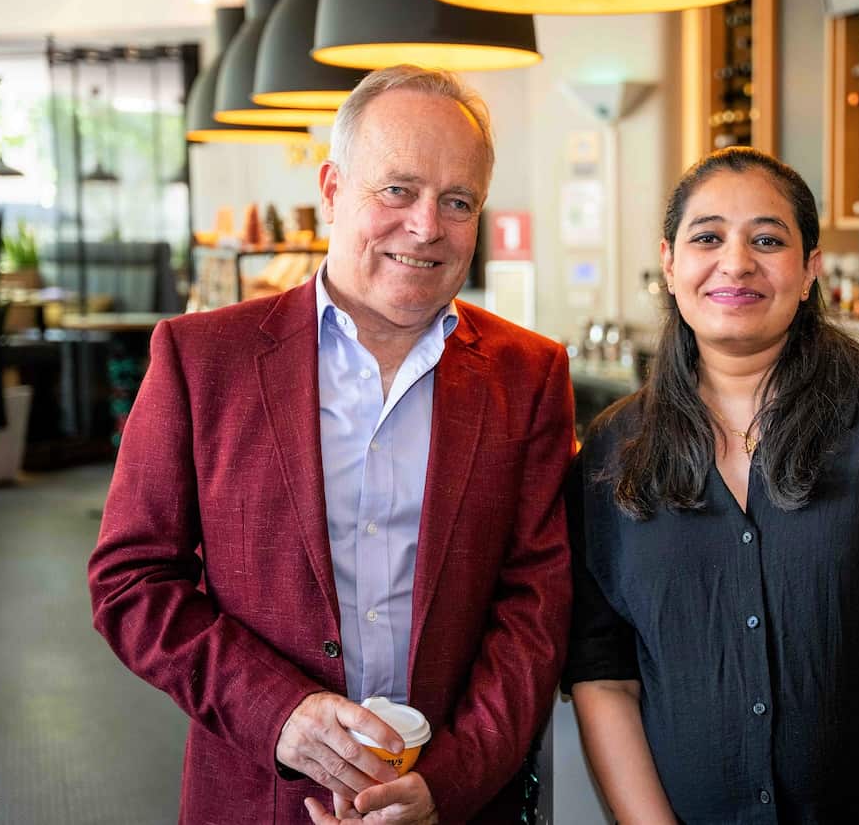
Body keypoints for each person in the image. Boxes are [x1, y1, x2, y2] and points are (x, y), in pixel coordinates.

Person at [89, 66, 575, 825]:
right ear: (332, 188)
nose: (426, 226)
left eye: (458, 202)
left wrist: (448, 779)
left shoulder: (531, 374)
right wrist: (280, 713)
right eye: (397, 190)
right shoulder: (200, 360)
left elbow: (534, 606)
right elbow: (131, 580)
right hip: (259, 796)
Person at [563, 147, 859, 824]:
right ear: (670, 263)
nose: (736, 262)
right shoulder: (612, 450)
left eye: (768, 239)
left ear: (810, 267)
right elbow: (602, 669)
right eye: (707, 237)